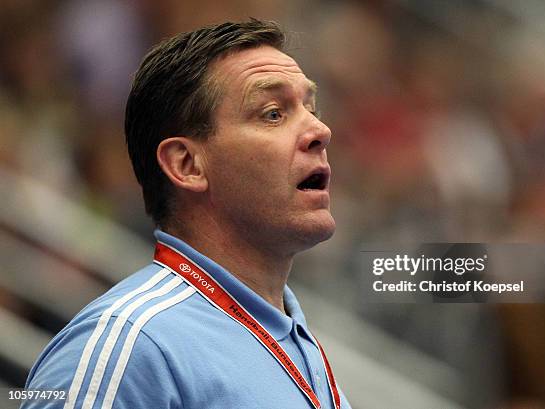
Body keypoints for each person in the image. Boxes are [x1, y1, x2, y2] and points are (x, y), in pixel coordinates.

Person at [22, 20, 351, 409]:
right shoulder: (132, 345)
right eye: (273, 113)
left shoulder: (294, 342)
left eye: (311, 108)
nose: (321, 130)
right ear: (187, 164)